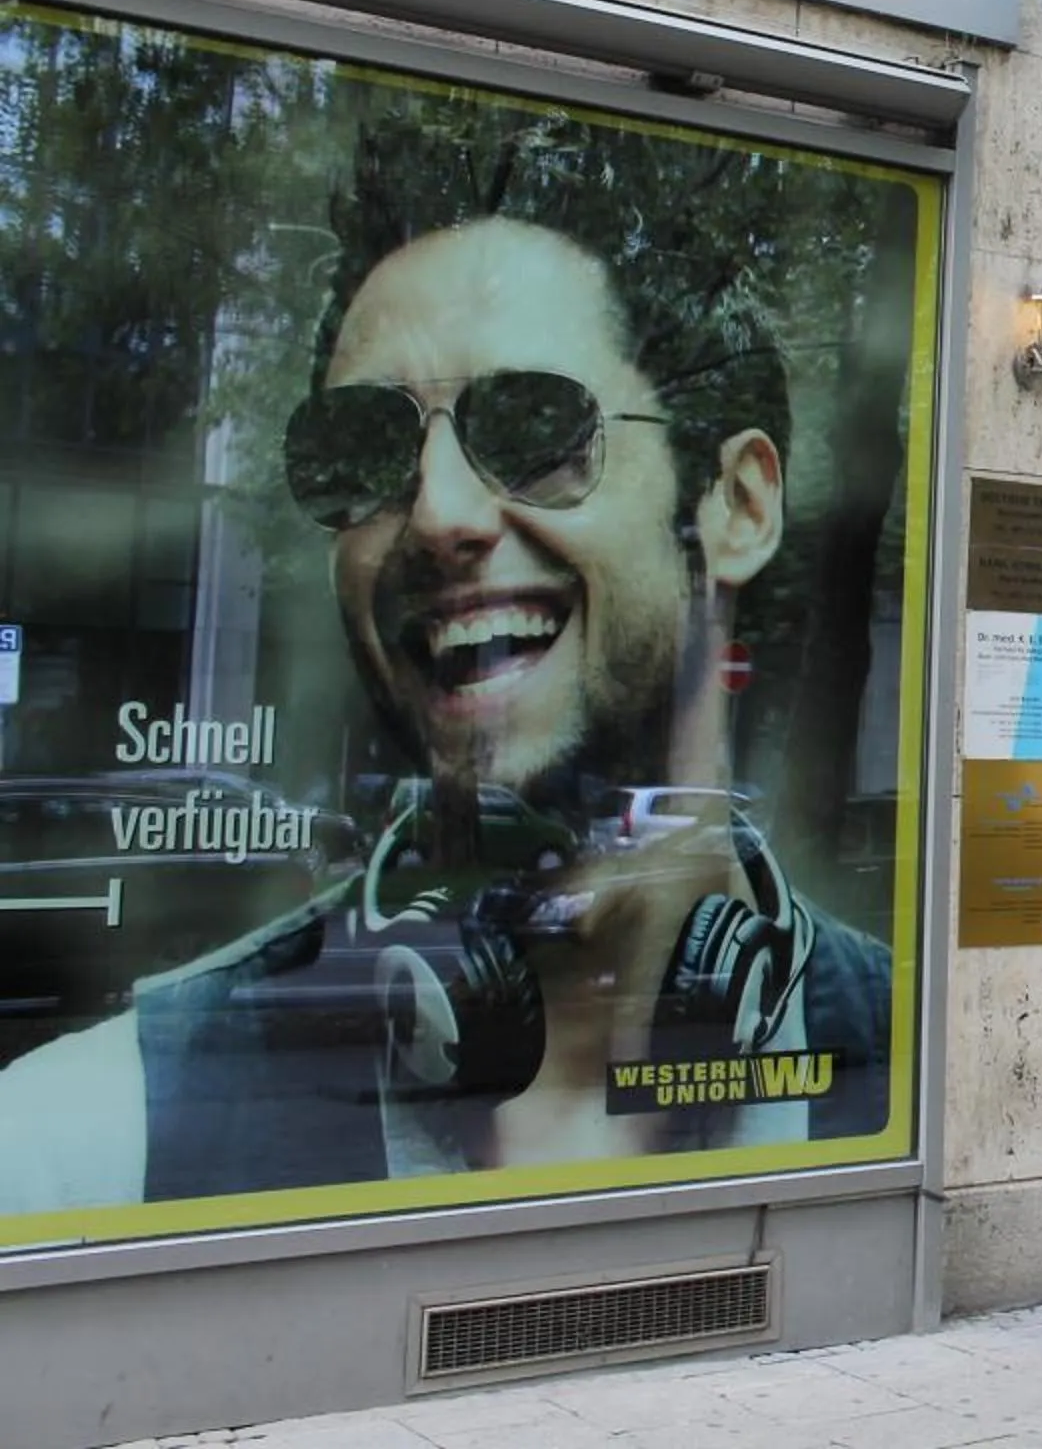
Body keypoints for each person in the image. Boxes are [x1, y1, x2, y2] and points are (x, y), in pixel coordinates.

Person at [0, 117, 891, 1212]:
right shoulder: (88, 1142)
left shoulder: (914, 1054)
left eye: (530, 423)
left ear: (741, 507)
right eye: (365, 452)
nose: (438, 513)